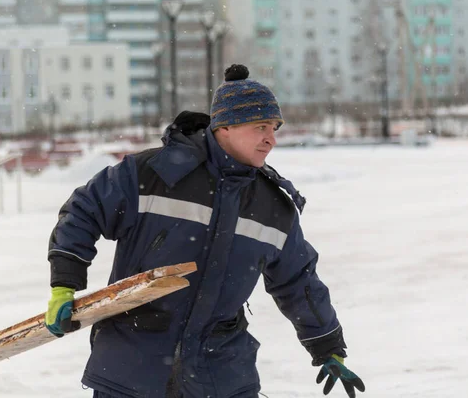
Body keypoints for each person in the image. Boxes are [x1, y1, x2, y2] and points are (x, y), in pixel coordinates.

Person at [45, 64, 365, 398]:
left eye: (274, 128)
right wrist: (64, 285)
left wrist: (326, 345)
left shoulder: (272, 207)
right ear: (224, 126)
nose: (271, 139)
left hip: (221, 375)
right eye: (260, 127)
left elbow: (299, 280)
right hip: (133, 368)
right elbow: (83, 210)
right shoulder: (153, 174)